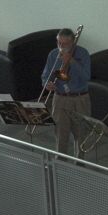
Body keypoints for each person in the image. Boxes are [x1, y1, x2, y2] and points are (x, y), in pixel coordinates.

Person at [40, 27, 91, 158]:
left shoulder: (83, 53)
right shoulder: (53, 54)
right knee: (60, 132)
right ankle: (60, 163)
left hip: (80, 98)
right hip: (60, 98)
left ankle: (80, 163)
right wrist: (47, 84)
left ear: (73, 43)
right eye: (59, 43)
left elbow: (86, 76)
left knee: (81, 133)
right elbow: (45, 75)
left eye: (65, 44)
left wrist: (71, 61)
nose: (61, 47)